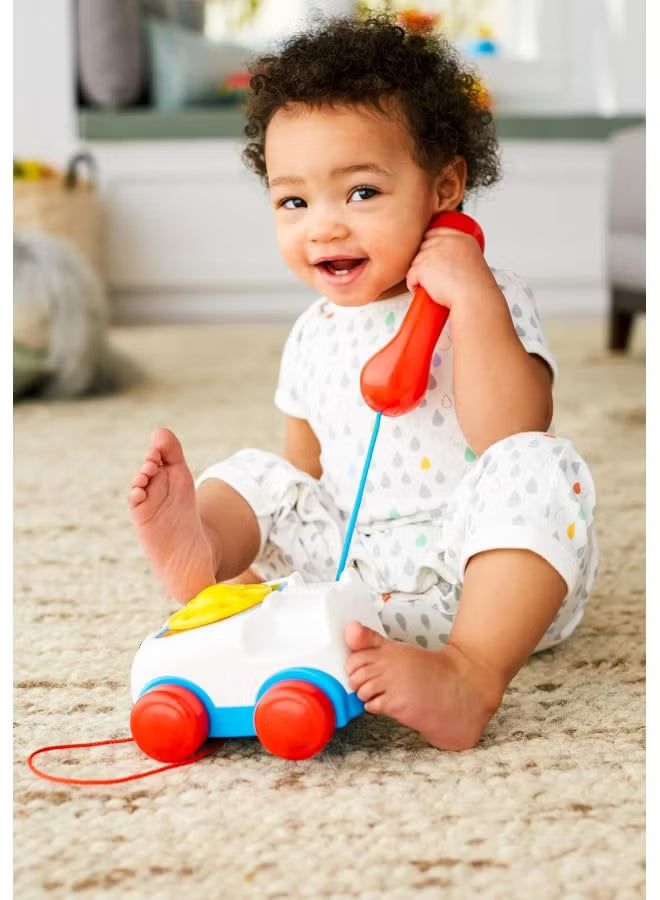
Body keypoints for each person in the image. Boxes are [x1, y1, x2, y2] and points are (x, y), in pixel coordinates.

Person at [129, 16, 598, 751]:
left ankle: (468, 672)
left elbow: (510, 429)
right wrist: (269, 528)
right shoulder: (313, 331)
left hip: (476, 576)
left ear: (443, 187)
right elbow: (305, 473)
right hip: (355, 582)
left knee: (540, 463)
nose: (324, 227)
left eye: (362, 193)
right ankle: (209, 555)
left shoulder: (488, 295)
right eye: (294, 202)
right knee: (259, 474)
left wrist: (470, 301)